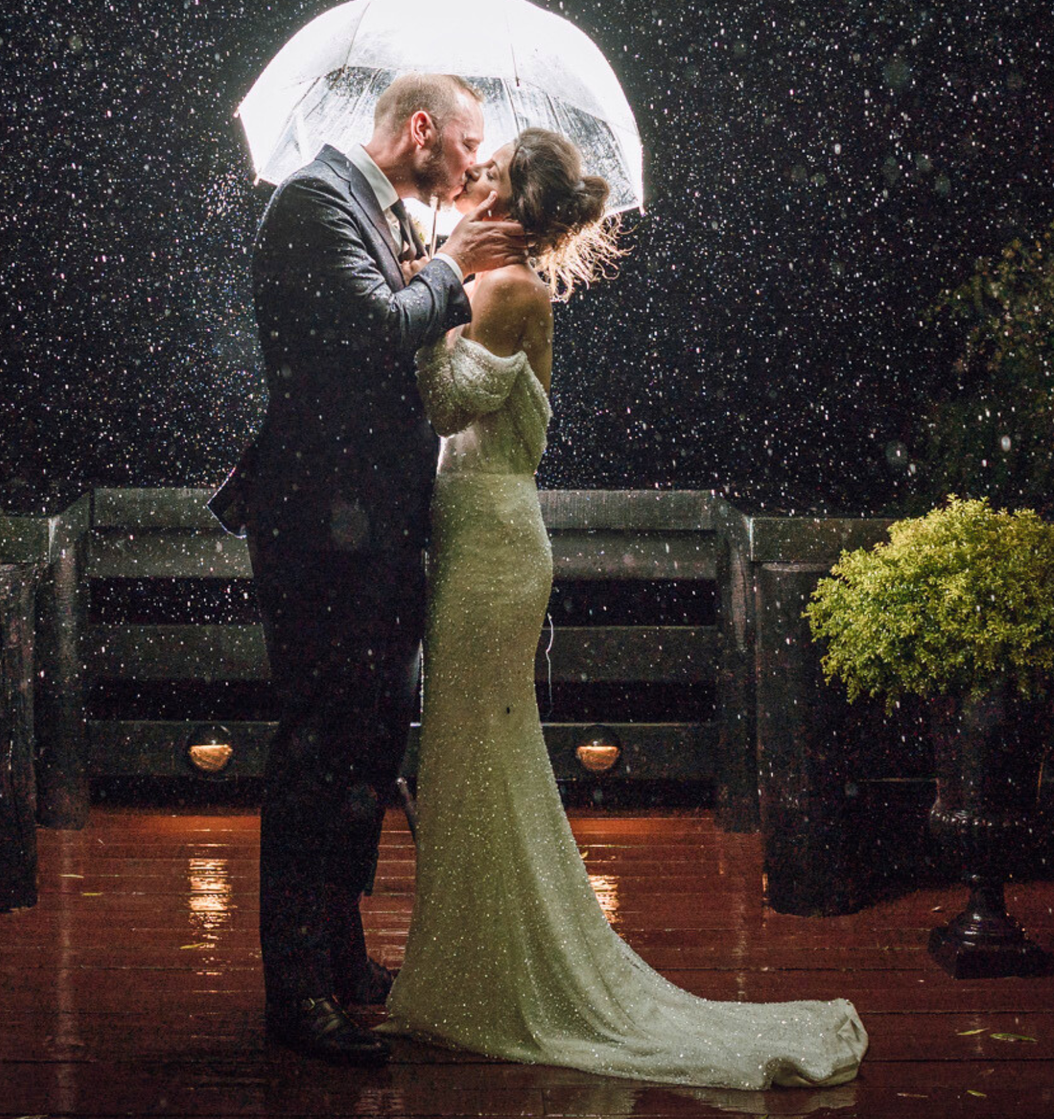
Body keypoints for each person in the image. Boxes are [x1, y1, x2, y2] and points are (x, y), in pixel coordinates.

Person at [378, 128, 868, 1089]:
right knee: (469, 754)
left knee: (479, 751)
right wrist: (430, 284)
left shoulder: (513, 290)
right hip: (471, 538)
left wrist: (424, 288)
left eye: (481, 175)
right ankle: (468, 971)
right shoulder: (488, 282)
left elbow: (441, 406)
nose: (465, 182)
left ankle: (494, 982)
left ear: (512, 206)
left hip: (493, 545)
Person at [211, 72, 527, 1067]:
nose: (478, 162)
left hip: (374, 529)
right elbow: (364, 335)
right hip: (318, 529)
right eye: (469, 142)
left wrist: (436, 261)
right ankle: (293, 990)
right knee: (314, 743)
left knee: (363, 742)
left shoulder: (376, 213)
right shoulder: (311, 203)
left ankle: (344, 961)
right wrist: (453, 270)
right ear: (421, 129)